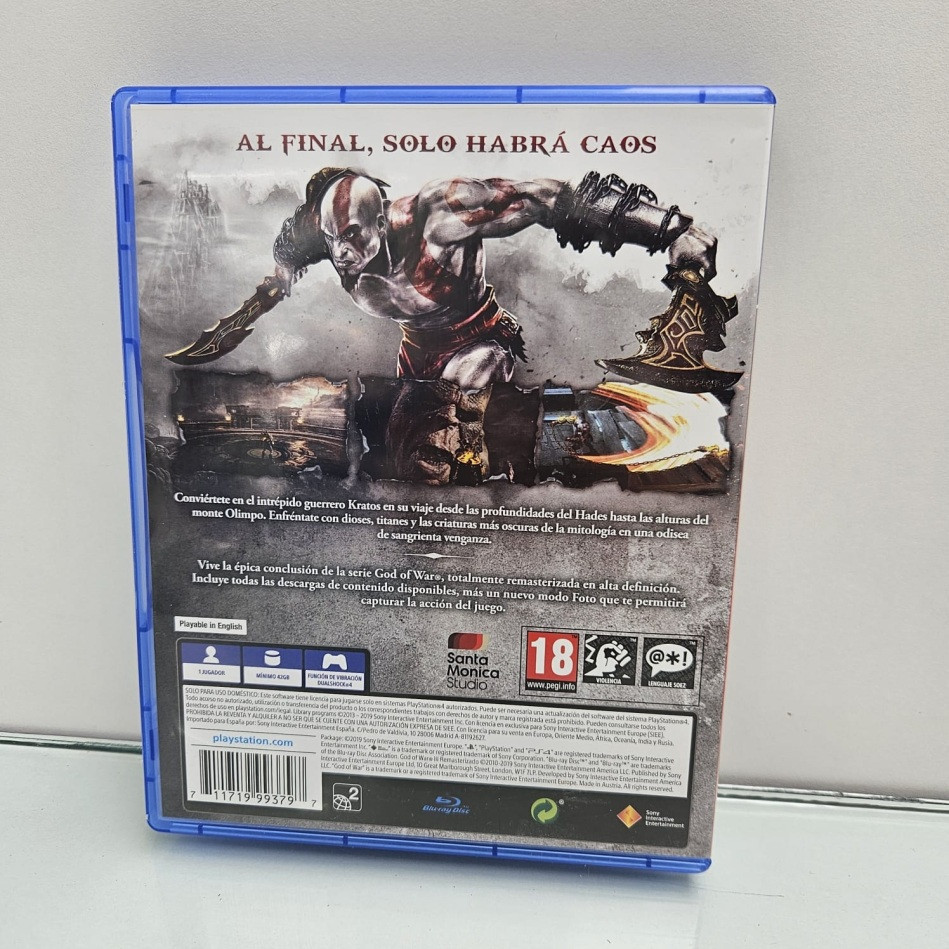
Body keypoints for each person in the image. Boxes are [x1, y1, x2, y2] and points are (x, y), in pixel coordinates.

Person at [271, 167, 717, 392]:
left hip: (477, 340)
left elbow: (544, 199)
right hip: (416, 353)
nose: (340, 253)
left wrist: (670, 229)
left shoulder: (438, 218)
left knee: (457, 404)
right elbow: (293, 241)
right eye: (330, 240)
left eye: (351, 236)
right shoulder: (331, 234)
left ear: (382, 222)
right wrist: (284, 265)